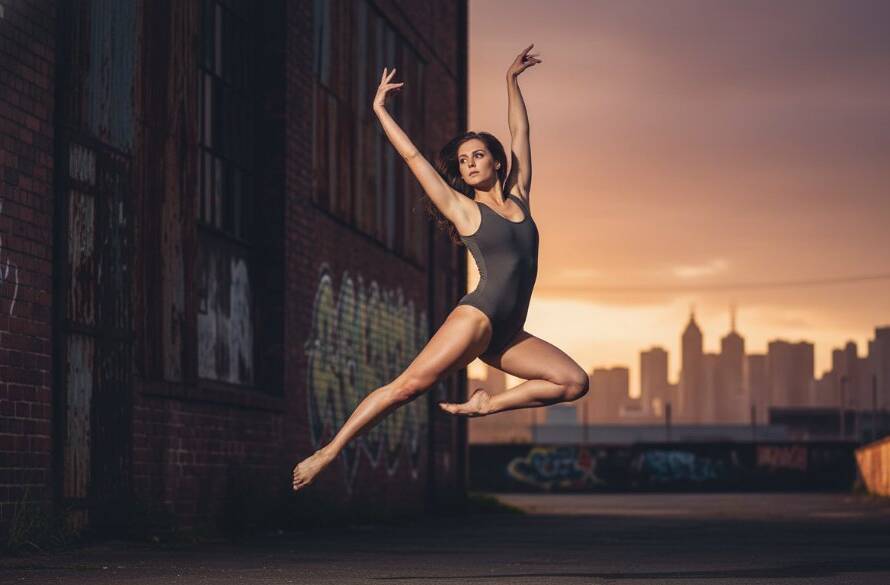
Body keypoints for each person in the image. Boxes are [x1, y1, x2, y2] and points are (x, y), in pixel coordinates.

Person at [293, 44, 589, 492]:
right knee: (407, 387)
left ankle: (486, 406)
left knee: (572, 382)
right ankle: (329, 451)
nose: (469, 164)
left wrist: (510, 80)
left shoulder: (520, 198)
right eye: (463, 160)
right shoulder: (464, 210)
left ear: (496, 162)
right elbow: (414, 160)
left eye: (478, 156)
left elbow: (520, 133)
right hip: (480, 317)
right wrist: (379, 110)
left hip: (510, 332)